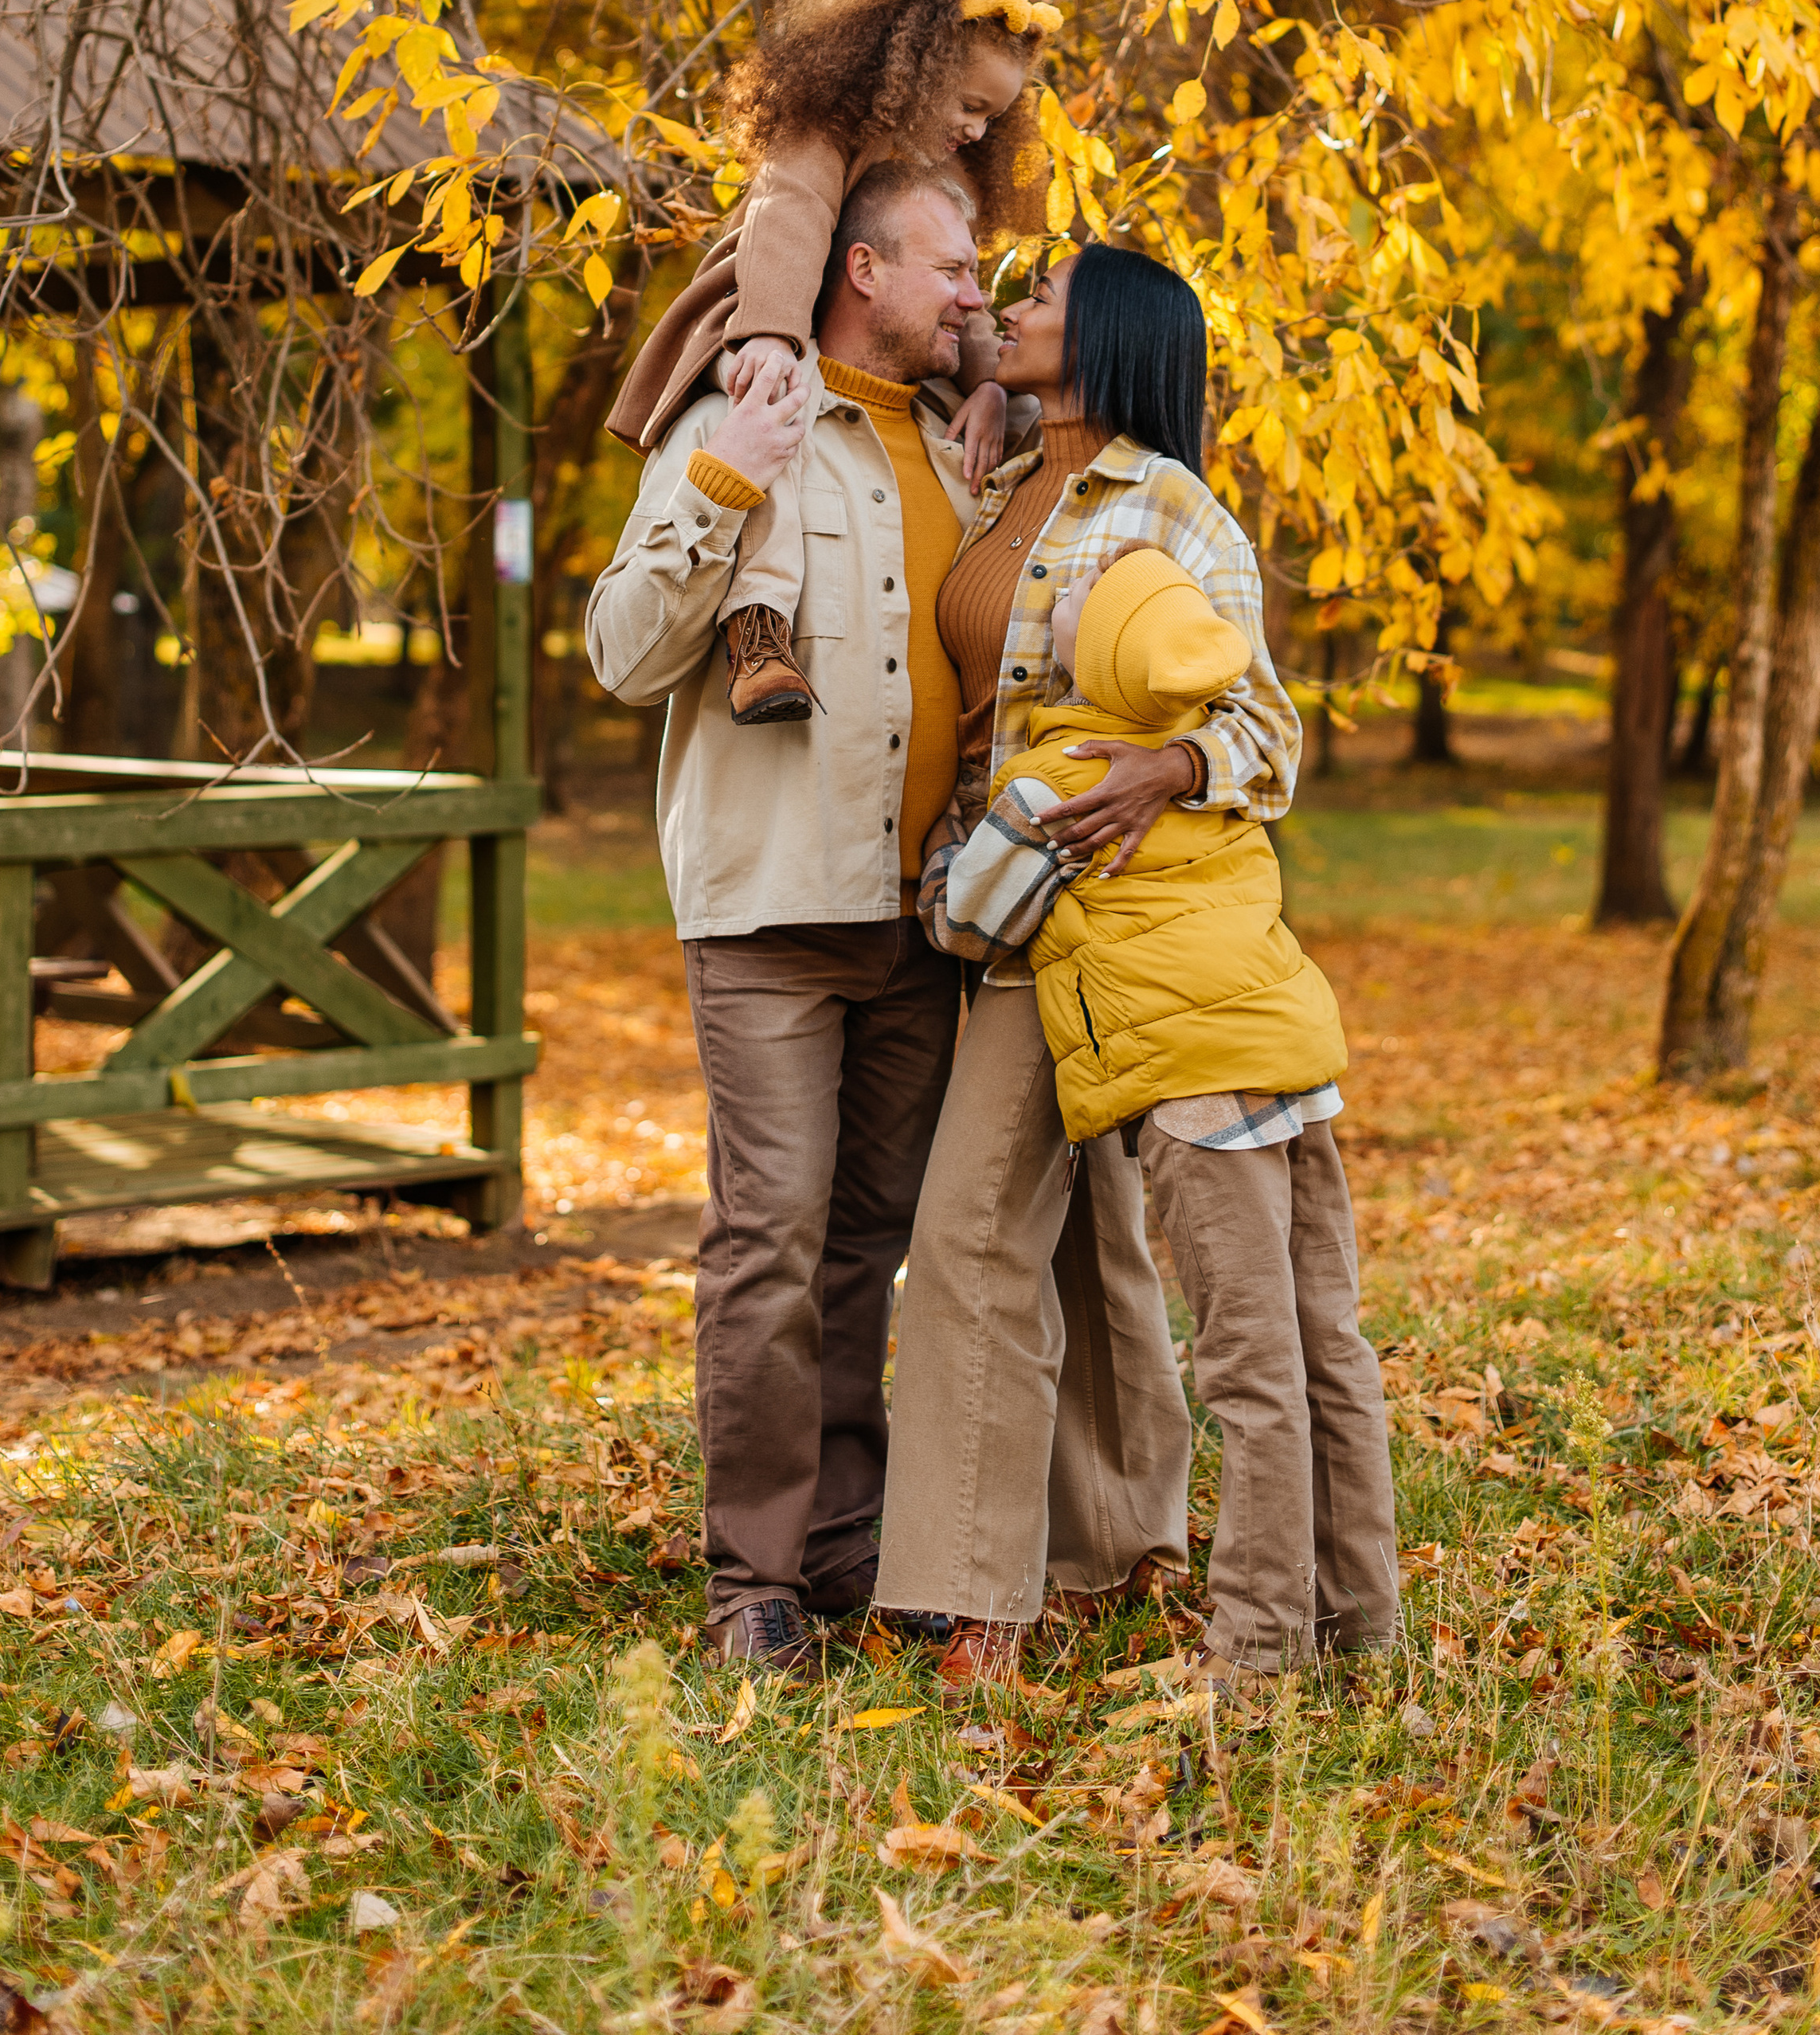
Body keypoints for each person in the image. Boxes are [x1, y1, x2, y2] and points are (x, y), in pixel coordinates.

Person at [871, 241, 1309, 1687]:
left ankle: (969, 1592)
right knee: (1090, 1234)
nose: (1009, 301)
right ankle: (1127, 1536)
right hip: (997, 909)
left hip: (1114, 913)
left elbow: (1269, 734)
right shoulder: (996, 481)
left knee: (970, 1223)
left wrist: (1178, 758)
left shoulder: (1177, 512)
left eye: (1044, 293)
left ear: (1109, 335)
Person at [585, 160, 996, 1674]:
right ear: (863, 270)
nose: (974, 290)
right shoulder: (739, 411)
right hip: (768, 915)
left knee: (866, 1247)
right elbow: (622, 655)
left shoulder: (965, 451)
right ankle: (752, 1574)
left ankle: (847, 1538)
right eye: (950, 265)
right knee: (769, 1238)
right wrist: (723, 481)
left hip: (925, 925)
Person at [926, 545, 1397, 1685]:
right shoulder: (1198, 776)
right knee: (1331, 1346)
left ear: (1111, 655)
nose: (1062, 605)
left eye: (1083, 605)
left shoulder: (1055, 782)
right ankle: (1363, 1616)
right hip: (1295, 1072)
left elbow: (968, 924)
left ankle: (1259, 1643)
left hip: (1197, 1103)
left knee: (1251, 1373)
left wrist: (949, 847)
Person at [605, 0, 1057, 726]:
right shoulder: (827, 125)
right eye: (969, 105)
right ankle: (757, 625)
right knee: (781, 418)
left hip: (847, 350)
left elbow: (968, 295)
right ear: (916, 71)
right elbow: (791, 216)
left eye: (992, 116)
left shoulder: (946, 180)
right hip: (762, 316)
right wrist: (775, 338)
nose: (977, 129)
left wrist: (989, 383)